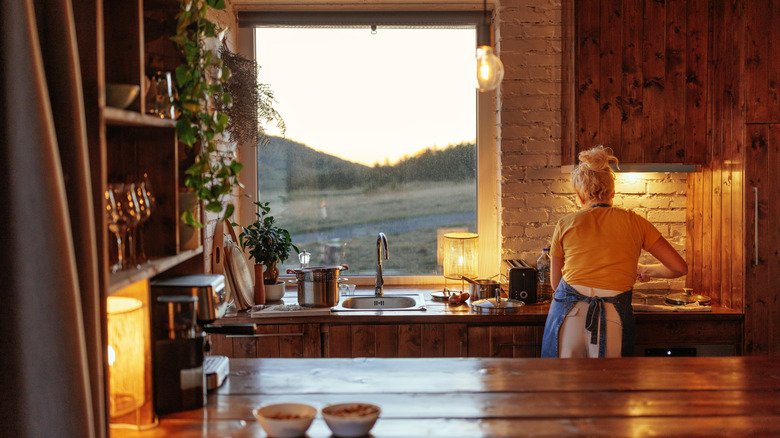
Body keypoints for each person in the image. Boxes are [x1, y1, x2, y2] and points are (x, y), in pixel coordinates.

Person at [541, 146, 688, 358]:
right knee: (609, 387)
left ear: (580, 196)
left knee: (563, 387)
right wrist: (647, 271)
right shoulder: (635, 222)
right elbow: (679, 267)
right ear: (612, 192)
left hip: (569, 317)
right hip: (613, 318)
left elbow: (556, 285)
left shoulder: (565, 224)